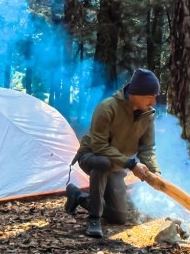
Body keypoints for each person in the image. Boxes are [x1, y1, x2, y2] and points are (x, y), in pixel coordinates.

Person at [64, 68, 161, 238]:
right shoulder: (107, 107)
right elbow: (99, 145)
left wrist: (155, 172)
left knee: (118, 217)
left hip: (117, 165)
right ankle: (94, 219)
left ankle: (78, 197)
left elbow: (147, 148)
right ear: (136, 93)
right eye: (150, 96)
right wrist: (131, 164)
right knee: (102, 163)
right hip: (91, 156)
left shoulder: (147, 115)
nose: (153, 101)